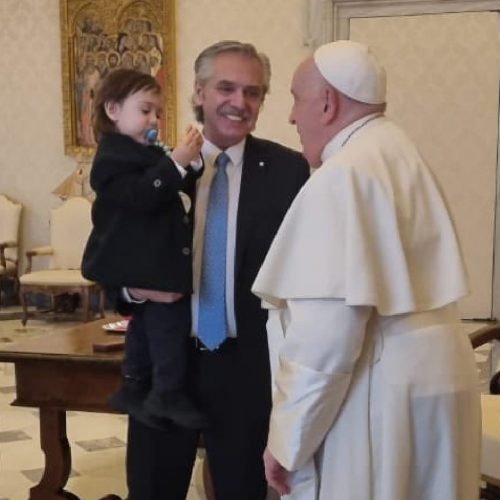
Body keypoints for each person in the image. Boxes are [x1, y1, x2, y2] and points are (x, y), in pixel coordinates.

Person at [252, 40, 481, 500]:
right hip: (435, 381)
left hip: (381, 398)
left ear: (327, 103)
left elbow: (325, 339)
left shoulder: (343, 176)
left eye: (296, 99)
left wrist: (286, 441)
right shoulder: (399, 152)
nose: (292, 117)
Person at [122, 41, 310, 499]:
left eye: (253, 92)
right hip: (166, 363)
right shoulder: (154, 168)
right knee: (152, 490)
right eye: (226, 88)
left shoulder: (289, 172)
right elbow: (108, 260)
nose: (239, 102)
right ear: (199, 92)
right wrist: (135, 291)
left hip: (245, 368)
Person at [81, 68, 207, 430]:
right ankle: (167, 391)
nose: (154, 119)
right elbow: (144, 195)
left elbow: (172, 183)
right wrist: (175, 162)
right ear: (113, 110)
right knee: (168, 324)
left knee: (144, 324)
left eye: (158, 113)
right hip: (135, 259)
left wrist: (190, 162)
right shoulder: (112, 156)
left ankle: (134, 385)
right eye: (145, 110)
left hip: (150, 259)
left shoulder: (147, 151)